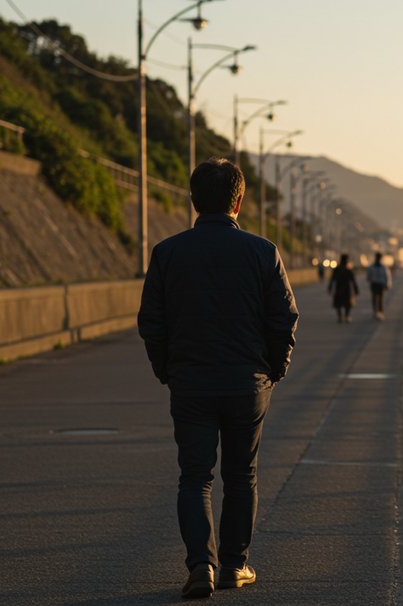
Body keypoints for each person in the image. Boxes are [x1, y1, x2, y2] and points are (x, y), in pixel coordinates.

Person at [137, 158, 299, 599]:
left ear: (193, 200)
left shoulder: (168, 253)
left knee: (194, 477)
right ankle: (233, 565)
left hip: (190, 382)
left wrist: (167, 370)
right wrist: (274, 368)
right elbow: (284, 318)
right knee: (241, 475)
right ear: (239, 201)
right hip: (247, 383)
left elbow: (152, 320)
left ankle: (200, 568)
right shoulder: (262, 251)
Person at [327, 254, 359, 323]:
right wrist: (356, 289)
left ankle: (340, 316)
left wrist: (329, 287)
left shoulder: (337, 269)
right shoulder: (348, 270)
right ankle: (346, 316)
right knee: (347, 304)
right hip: (346, 289)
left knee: (338, 303)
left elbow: (332, 279)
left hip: (339, 289)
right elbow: (353, 281)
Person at [366, 252, 392, 320]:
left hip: (381, 284)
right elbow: (369, 276)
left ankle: (380, 312)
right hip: (374, 284)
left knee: (380, 299)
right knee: (374, 298)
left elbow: (387, 276)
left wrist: (388, 284)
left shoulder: (383, 267)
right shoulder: (371, 267)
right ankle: (375, 311)